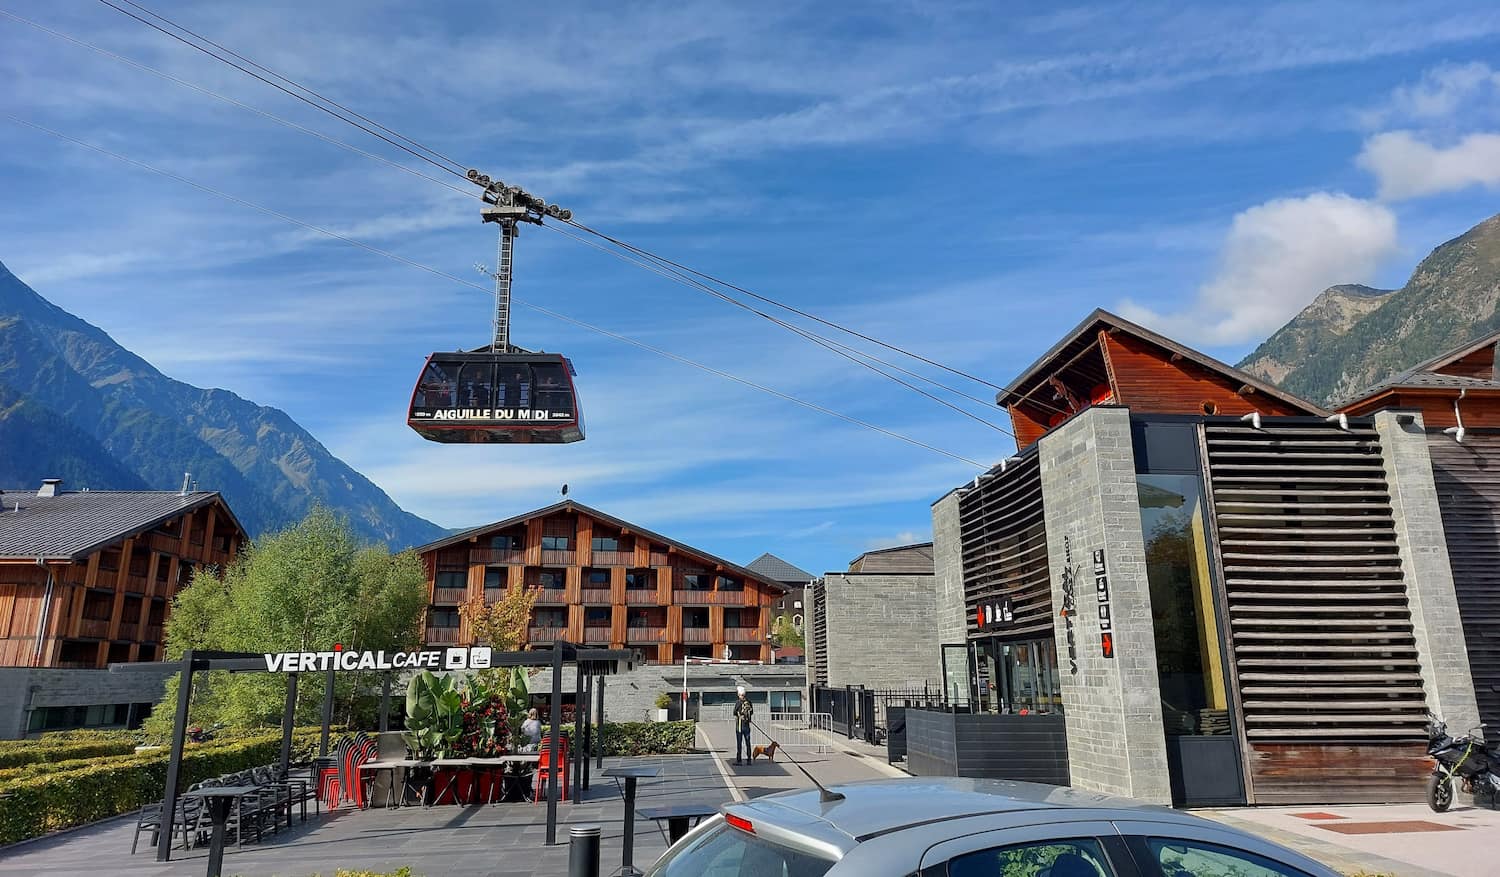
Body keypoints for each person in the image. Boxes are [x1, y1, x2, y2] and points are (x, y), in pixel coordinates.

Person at [732, 686, 754, 765]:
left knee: (739, 743)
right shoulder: (749, 702)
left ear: (739, 694)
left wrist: (739, 715)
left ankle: (739, 760)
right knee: (748, 742)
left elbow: (734, 712)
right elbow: (752, 712)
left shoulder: (738, 702)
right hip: (747, 725)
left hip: (739, 726)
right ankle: (749, 759)